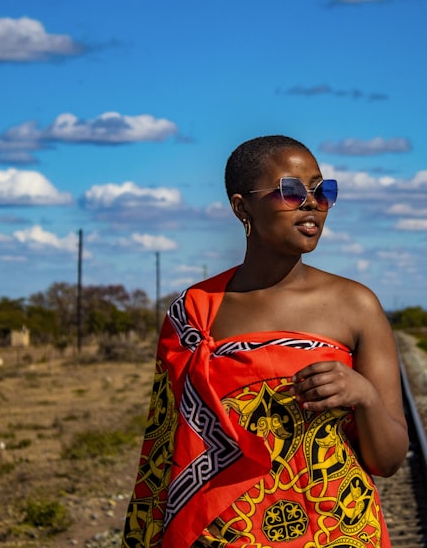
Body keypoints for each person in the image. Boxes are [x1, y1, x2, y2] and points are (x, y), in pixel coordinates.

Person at [122, 135, 408, 547]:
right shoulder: (193, 315)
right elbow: (164, 453)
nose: (311, 203)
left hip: (335, 533)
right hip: (221, 537)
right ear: (242, 207)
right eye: (291, 191)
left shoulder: (356, 306)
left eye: (323, 190)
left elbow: (390, 459)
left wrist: (363, 395)